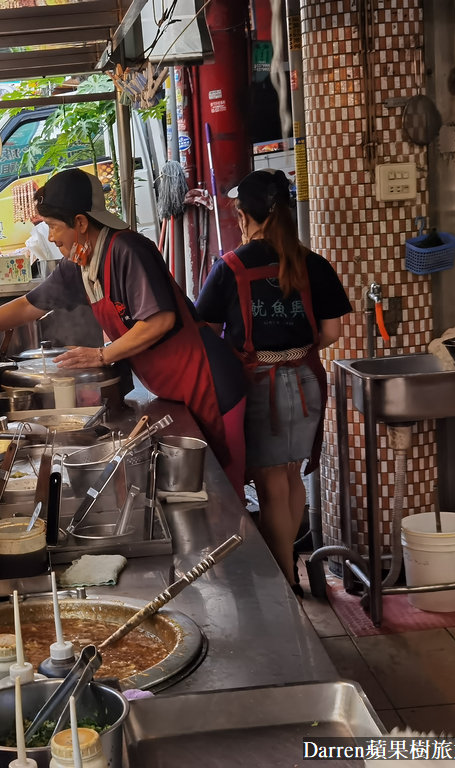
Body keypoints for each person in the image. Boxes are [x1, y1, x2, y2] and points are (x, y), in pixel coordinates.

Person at [0, 167, 247, 490]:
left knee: (226, 494)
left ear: (80, 223)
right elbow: (28, 305)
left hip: (211, 384)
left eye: (53, 226)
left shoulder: (126, 251)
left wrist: (102, 355)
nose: (50, 237)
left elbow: (159, 321)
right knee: (208, 486)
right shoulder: (80, 264)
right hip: (178, 390)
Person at [195, 169, 352, 596]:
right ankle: (287, 568)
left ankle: (285, 576)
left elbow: (204, 330)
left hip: (258, 383)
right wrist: (296, 350)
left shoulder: (229, 268)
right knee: (290, 475)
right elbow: (332, 334)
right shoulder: (312, 262)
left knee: (268, 482)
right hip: (306, 380)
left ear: (245, 216)